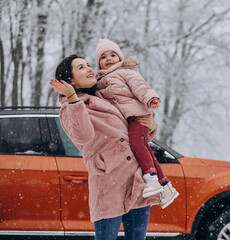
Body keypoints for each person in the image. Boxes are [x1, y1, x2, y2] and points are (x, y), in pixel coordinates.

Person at [50, 54, 160, 240]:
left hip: (135, 180)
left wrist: (148, 123)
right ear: (70, 81)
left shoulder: (106, 98)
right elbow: (84, 137)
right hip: (109, 183)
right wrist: (72, 98)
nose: (89, 68)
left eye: (87, 65)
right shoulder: (70, 109)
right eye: (81, 68)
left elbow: (134, 135)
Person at [95, 38, 179, 208]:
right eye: (103, 57)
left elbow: (141, 86)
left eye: (112, 55)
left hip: (140, 115)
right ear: (99, 62)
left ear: (120, 58)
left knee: (137, 145)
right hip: (132, 117)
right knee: (145, 148)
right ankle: (165, 186)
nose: (108, 59)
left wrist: (151, 99)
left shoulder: (126, 72)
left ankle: (151, 177)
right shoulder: (101, 80)